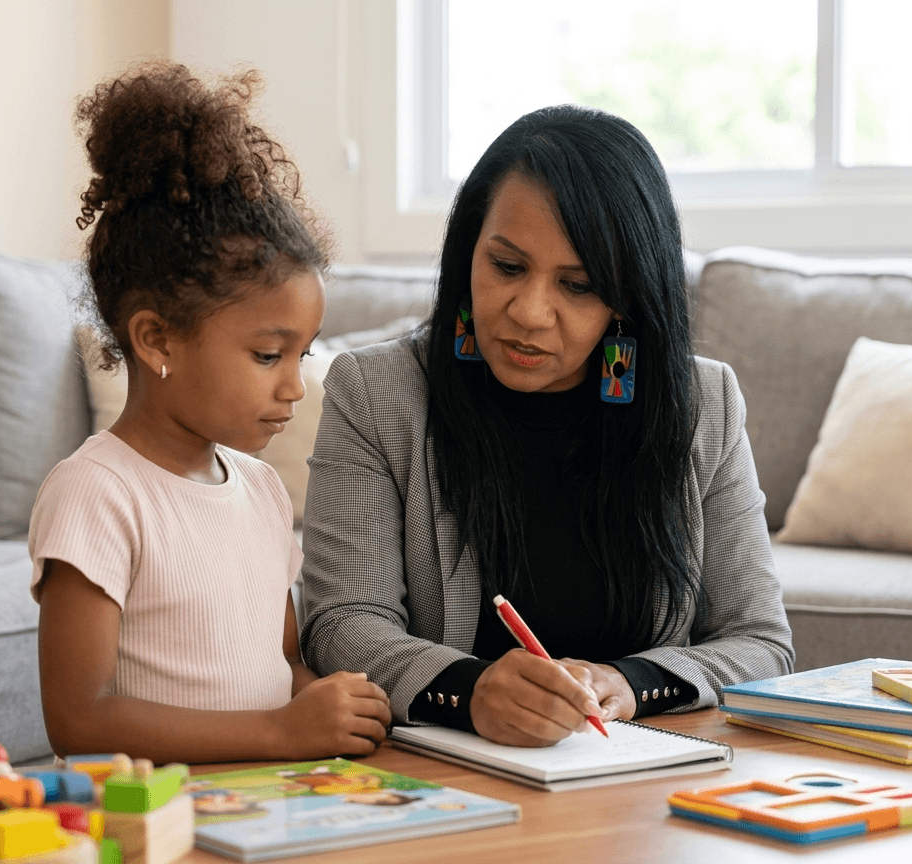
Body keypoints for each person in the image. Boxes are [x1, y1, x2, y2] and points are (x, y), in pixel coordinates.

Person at [300, 104, 794, 747]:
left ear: (626, 297)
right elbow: (340, 619)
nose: (530, 313)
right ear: (466, 253)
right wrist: (469, 690)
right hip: (455, 769)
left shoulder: (704, 405)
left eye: (578, 285)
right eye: (506, 267)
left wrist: (630, 684)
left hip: (632, 778)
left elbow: (762, 643)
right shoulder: (378, 394)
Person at [30, 62, 391, 763]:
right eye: (267, 356)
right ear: (157, 339)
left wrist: (338, 707)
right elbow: (79, 719)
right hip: (159, 819)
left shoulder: (259, 490)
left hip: (263, 803)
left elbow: (278, 672)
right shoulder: (95, 494)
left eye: (302, 356)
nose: (295, 387)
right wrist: (281, 734)